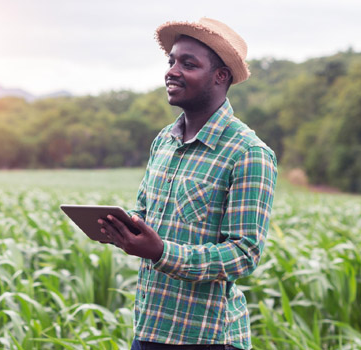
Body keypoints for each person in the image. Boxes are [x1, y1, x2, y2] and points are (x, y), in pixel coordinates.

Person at [98, 18, 277, 350]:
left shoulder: (248, 153)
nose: (172, 71)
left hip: (207, 338)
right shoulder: (164, 141)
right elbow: (148, 213)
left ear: (220, 76)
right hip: (149, 329)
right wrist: (122, 226)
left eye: (188, 64)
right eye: (171, 61)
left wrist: (162, 252)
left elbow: (243, 254)